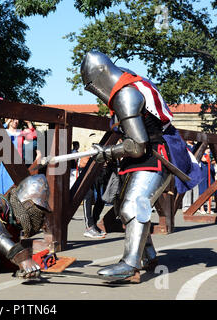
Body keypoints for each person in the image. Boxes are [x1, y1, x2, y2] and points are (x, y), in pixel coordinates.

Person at [80, 51, 201, 282]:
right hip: (144, 154)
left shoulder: (126, 95)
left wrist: (106, 152)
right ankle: (148, 254)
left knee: (134, 206)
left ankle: (130, 263)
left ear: (102, 74)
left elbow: (137, 144)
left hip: (155, 154)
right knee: (122, 207)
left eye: (93, 83)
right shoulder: (129, 81)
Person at [0, 119, 37, 194]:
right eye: (13, 119)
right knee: (6, 188)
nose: (16, 121)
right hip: (6, 164)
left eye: (17, 119)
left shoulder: (20, 133)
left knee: (16, 187)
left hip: (18, 164)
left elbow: (33, 135)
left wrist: (28, 122)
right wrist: (7, 122)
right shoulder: (4, 132)